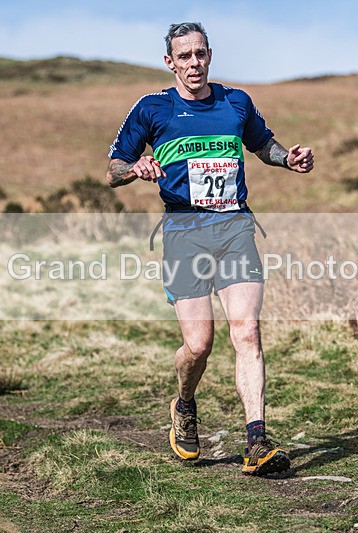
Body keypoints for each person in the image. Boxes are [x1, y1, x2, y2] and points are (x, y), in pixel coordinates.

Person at [106, 22, 314, 476]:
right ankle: (183, 405)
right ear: (170, 62)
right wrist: (135, 167)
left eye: (200, 54)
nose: (194, 63)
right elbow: (113, 169)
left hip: (235, 226)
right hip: (184, 232)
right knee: (198, 345)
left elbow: (263, 145)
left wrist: (287, 159)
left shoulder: (235, 101)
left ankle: (257, 441)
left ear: (210, 55)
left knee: (247, 331)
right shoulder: (152, 108)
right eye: (184, 56)